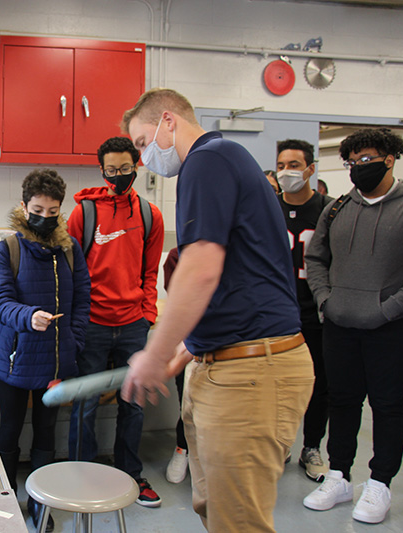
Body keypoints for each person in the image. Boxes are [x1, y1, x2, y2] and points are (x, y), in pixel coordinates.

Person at [120, 88, 313, 533]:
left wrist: (154, 354)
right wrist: (185, 350)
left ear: (169, 121)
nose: (144, 157)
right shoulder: (221, 163)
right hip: (225, 364)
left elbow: (201, 268)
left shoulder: (208, 160)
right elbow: (237, 275)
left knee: (238, 522)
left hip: (251, 372)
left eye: (143, 141)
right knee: (215, 509)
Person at [303, 127, 403, 525]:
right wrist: (325, 299)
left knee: (388, 406)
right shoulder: (338, 208)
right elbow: (316, 258)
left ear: (389, 158)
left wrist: (389, 308)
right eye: (352, 162)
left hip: (390, 327)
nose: (358, 168)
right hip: (340, 323)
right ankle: (339, 475)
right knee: (342, 401)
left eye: (366, 160)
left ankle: (379, 482)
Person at [0, 168, 91, 532]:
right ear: (23, 205)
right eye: (37, 209)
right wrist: (28, 317)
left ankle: (39, 503)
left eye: (52, 212)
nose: (44, 218)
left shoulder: (70, 249)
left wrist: (74, 340)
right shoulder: (8, 248)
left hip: (56, 361)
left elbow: (82, 301)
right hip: (14, 361)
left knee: (46, 433)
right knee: (10, 431)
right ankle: (4, 499)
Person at [67, 136, 165, 507]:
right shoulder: (85, 212)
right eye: (111, 170)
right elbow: (73, 269)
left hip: (133, 324)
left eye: (125, 169)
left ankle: (131, 476)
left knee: (134, 405)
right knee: (85, 404)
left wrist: (148, 313)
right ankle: (82, 476)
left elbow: (150, 271)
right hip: (92, 324)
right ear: (102, 170)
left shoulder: (150, 215)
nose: (118, 175)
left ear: (137, 166)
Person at [275, 139, 333, 482]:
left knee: (318, 384)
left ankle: (311, 446)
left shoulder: (328, 209)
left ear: (311, 169)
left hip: (315, 313)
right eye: (282, 165)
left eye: (294, 165)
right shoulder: (268, 207)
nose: (286, 172)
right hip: (277, 314)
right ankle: (281, 441)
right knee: (277, 385)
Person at [161, 247, 189, 485]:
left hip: (230, 341)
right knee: (188, 402)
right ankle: (183, 448)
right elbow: (180, 302)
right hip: (190, 339)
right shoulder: (176, 256)